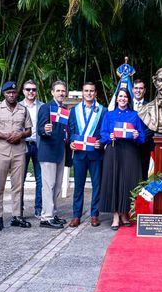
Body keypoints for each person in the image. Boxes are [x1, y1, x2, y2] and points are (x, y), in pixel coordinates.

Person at [0, 81, 33, 231]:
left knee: (18, 185)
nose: (11, 95)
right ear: (4, 94)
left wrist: (21, 134)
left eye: (13, 93)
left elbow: (29, 130)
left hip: (19, 150)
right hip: (1, 150)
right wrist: (5, 136)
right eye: (8, 93)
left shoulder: (23, 109)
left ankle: (17, 216)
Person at [100, 88, 146, 229]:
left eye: (125, 96)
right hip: (114, 151)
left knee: (127, 182)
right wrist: (109, 137)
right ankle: (115, 215)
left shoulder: (135, 115)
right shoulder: (109, 115)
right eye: (120, 96)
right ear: (117, 98)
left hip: (130, 152)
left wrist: (136, 135)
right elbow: (103, 134)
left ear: (129, 99)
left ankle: (125, 213)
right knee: (114, 181)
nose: (123, 99)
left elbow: (142, 137)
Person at [68, 82, 106, 227]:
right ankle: (76, 215)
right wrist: (72, 141)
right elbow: (71, 130)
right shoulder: (74, 110)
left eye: (92, 91)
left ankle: (94, 214)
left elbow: (104, 132)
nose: (89, 93)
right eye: (86, 91)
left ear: (95, 93)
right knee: (78, 186)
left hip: (95, 154)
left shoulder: (102, 111)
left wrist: (101, 142)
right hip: (79, 154)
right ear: (82, 93)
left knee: (97, 185)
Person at [36, 80, 69, 229]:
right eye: (58, 91)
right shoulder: (46, 107)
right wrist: (45, 129)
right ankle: (46, 217)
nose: (61, 93)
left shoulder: (64, 109)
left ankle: (52, 213)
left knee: (56, 186)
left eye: (63, 91)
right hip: (48, 151)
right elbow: (40, 129)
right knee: (48, 185)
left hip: (60, 151)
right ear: (52, 92)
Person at [19, 80, 43, 217]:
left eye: (33, 89)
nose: (31, 92)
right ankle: (19, 210)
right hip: (22, 145)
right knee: (19, 179)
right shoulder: (17, 106)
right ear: (23, 91)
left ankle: (38, 208)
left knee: (40, 179)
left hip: (39, 145)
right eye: (28, 89)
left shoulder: (42, 106)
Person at [133, 79, 153, 179]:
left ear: (144, 90)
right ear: (132, 89)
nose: (138, 91)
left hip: (144, 145)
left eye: (141, 88)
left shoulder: (150, 107)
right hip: (127, 145)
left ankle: (142, 194)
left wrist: (140, 137)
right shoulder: (126, 104)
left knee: (143, 174)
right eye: (136, 88)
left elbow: (152, 126)